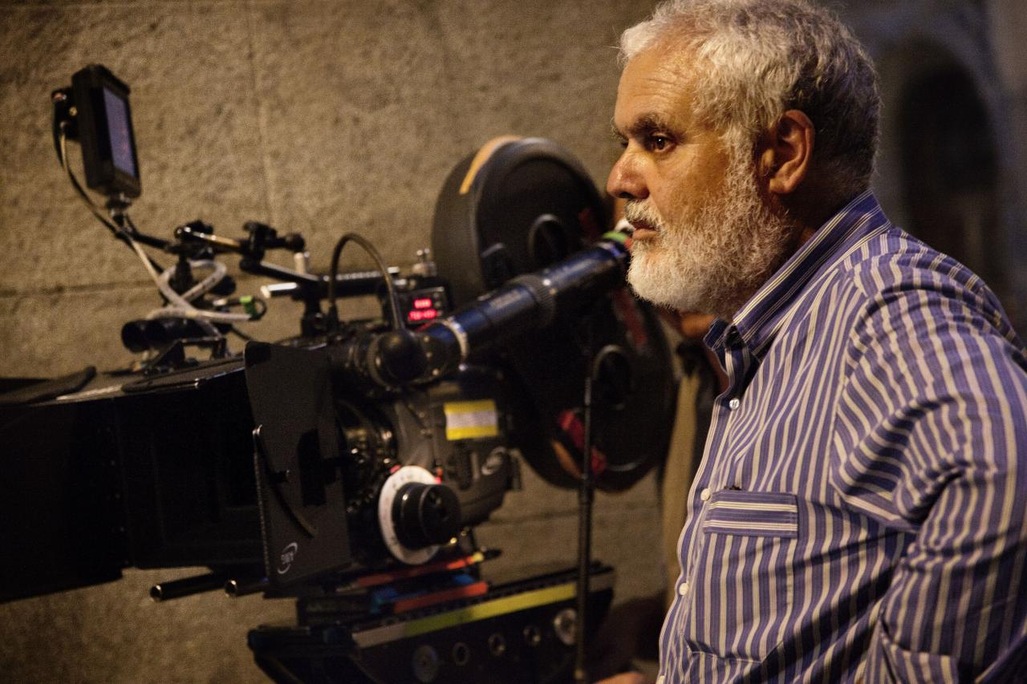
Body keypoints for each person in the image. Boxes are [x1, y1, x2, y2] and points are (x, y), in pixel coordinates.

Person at [601, 0, 1027, 682]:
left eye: (657, 140)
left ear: (782, 154)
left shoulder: (883, 305)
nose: (620, 179)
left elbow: (1008, 476)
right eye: (625, 143)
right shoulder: (772, 336)